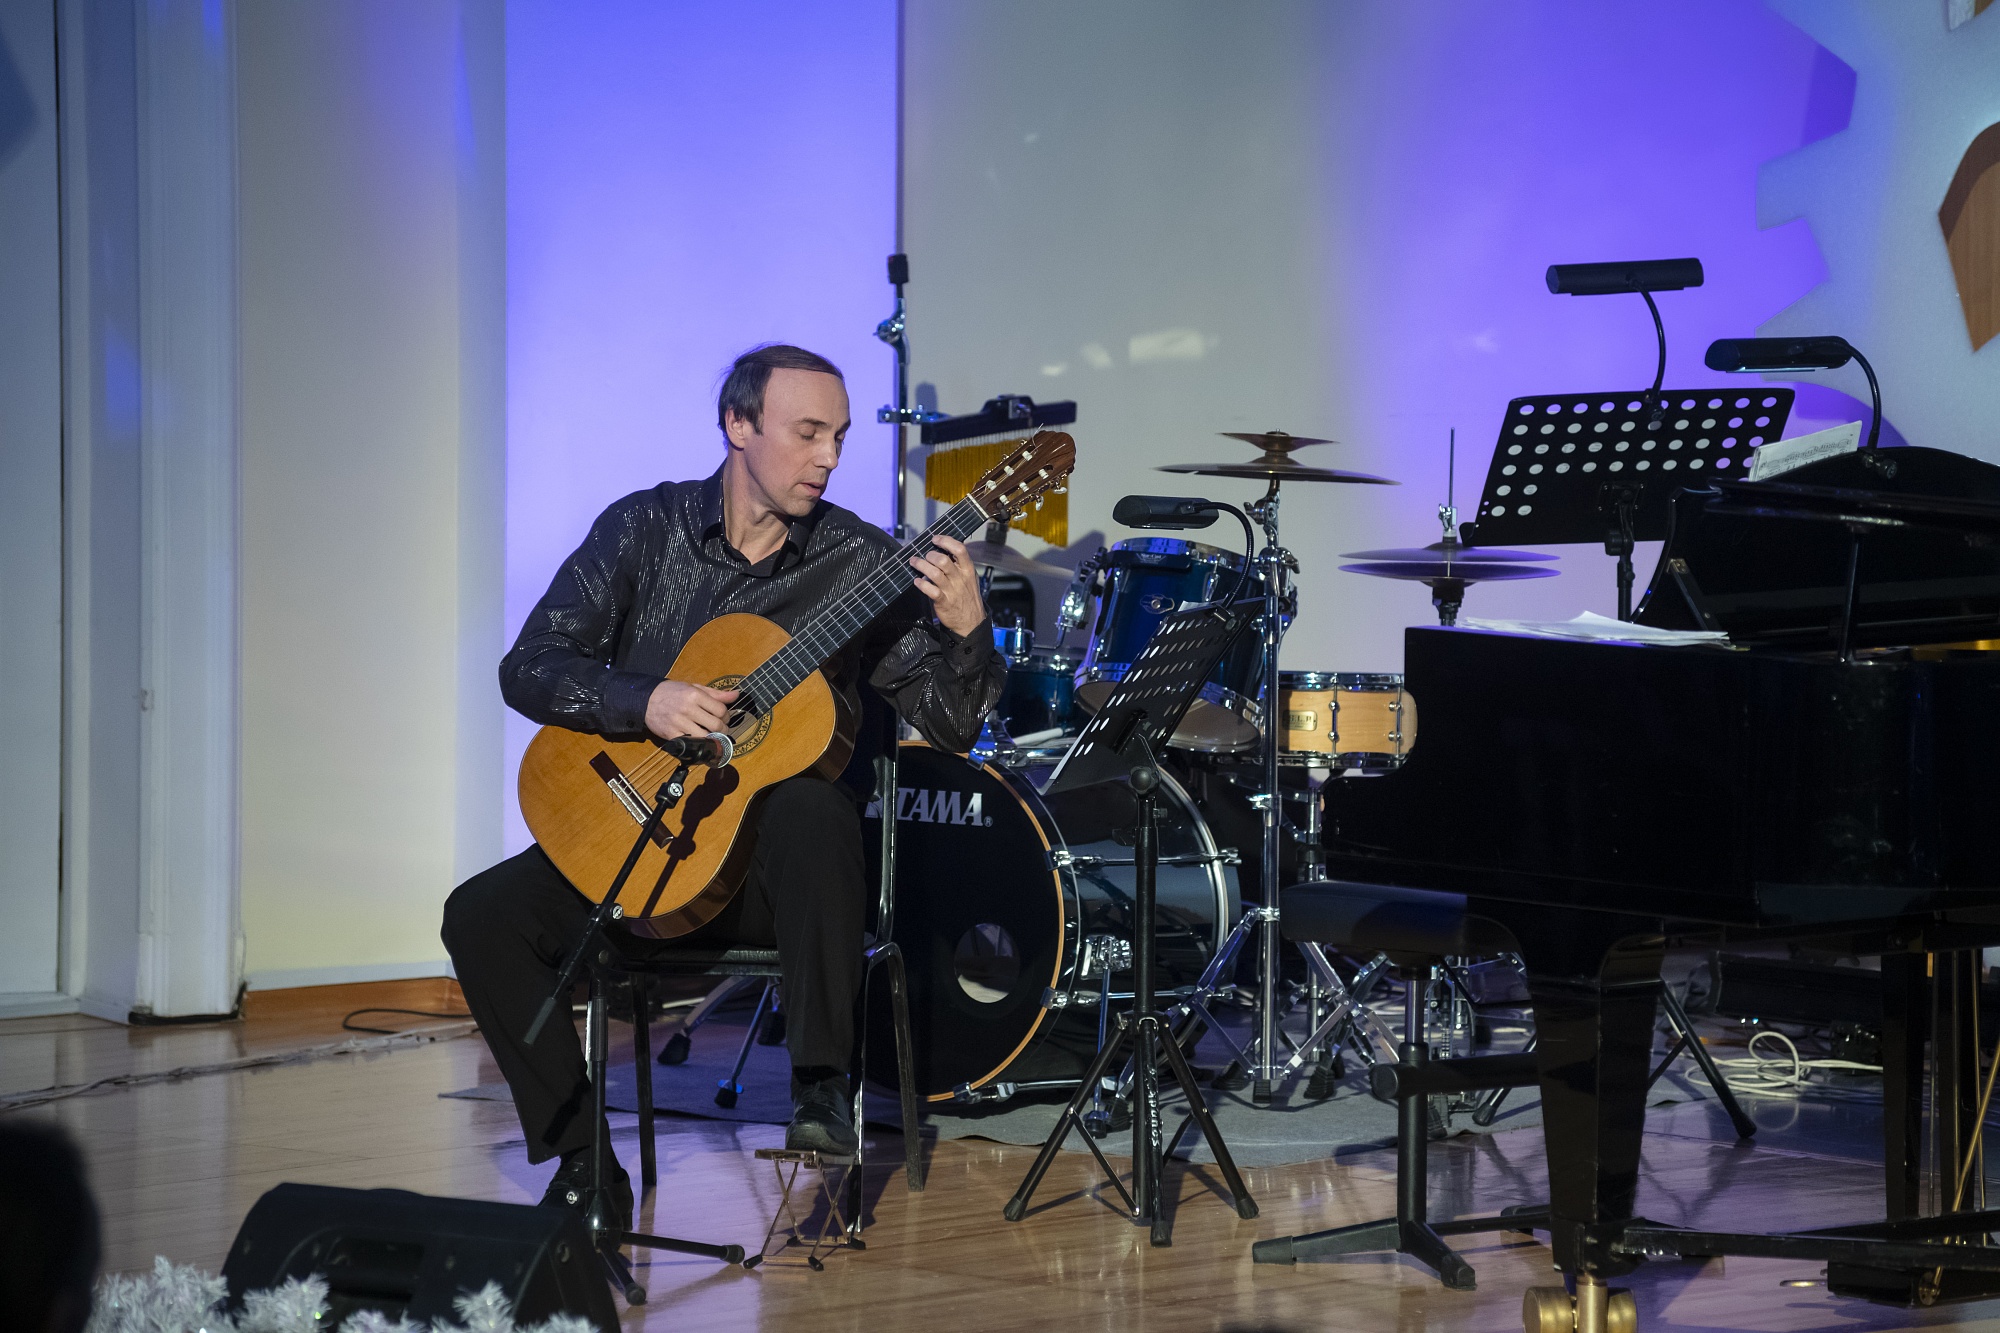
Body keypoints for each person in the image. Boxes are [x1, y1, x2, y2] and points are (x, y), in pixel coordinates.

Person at [443, 343, 1005, 1225]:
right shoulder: (644, 529)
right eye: (808, 432)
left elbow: (953, 725)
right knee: (480, 915)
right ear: (738, 424)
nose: (828, 457)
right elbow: (529, 667)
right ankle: (586, 1165)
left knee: (812, 805)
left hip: (766, 890)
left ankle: (821, 1088)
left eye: (840, 437)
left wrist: (969, 630)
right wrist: (646, 699)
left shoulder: (860, 564)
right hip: (636, 843)